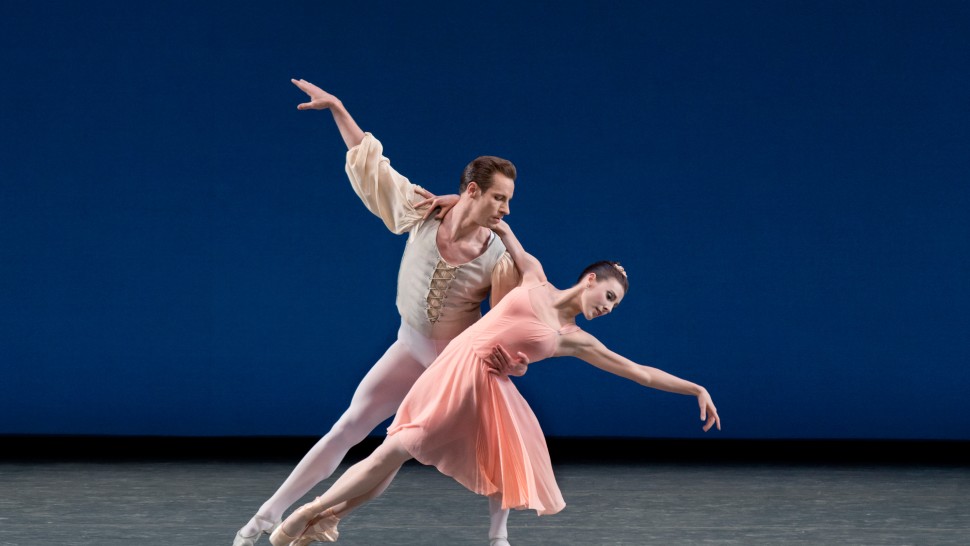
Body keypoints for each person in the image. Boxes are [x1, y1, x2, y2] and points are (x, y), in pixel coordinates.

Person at [267, 220, 722, 546]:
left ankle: (315, 515)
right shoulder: (535, 277)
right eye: (608, 296)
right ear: (588, 281)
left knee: (429, 450)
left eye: (614, 305)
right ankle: (318, 515)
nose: (607, 308)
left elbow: (639, 372)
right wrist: (455, 201)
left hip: (485, 387)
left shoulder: (576, 340)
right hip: (454, 368)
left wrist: (695, 388)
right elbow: (497, 222)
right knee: (396, 451)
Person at [232, 79, 527, 546]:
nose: (506, 209)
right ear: (472, 190)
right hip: (409, 346)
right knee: (348, 426)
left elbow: (507, 316)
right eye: (499, 198)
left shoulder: (498, 255)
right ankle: (264, 518)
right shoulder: (424, 211)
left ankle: (498, 536)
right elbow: (375, 169)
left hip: (453, 365)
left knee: (491, 441)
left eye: (509, 201)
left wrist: (505, 357)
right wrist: (338, 109)